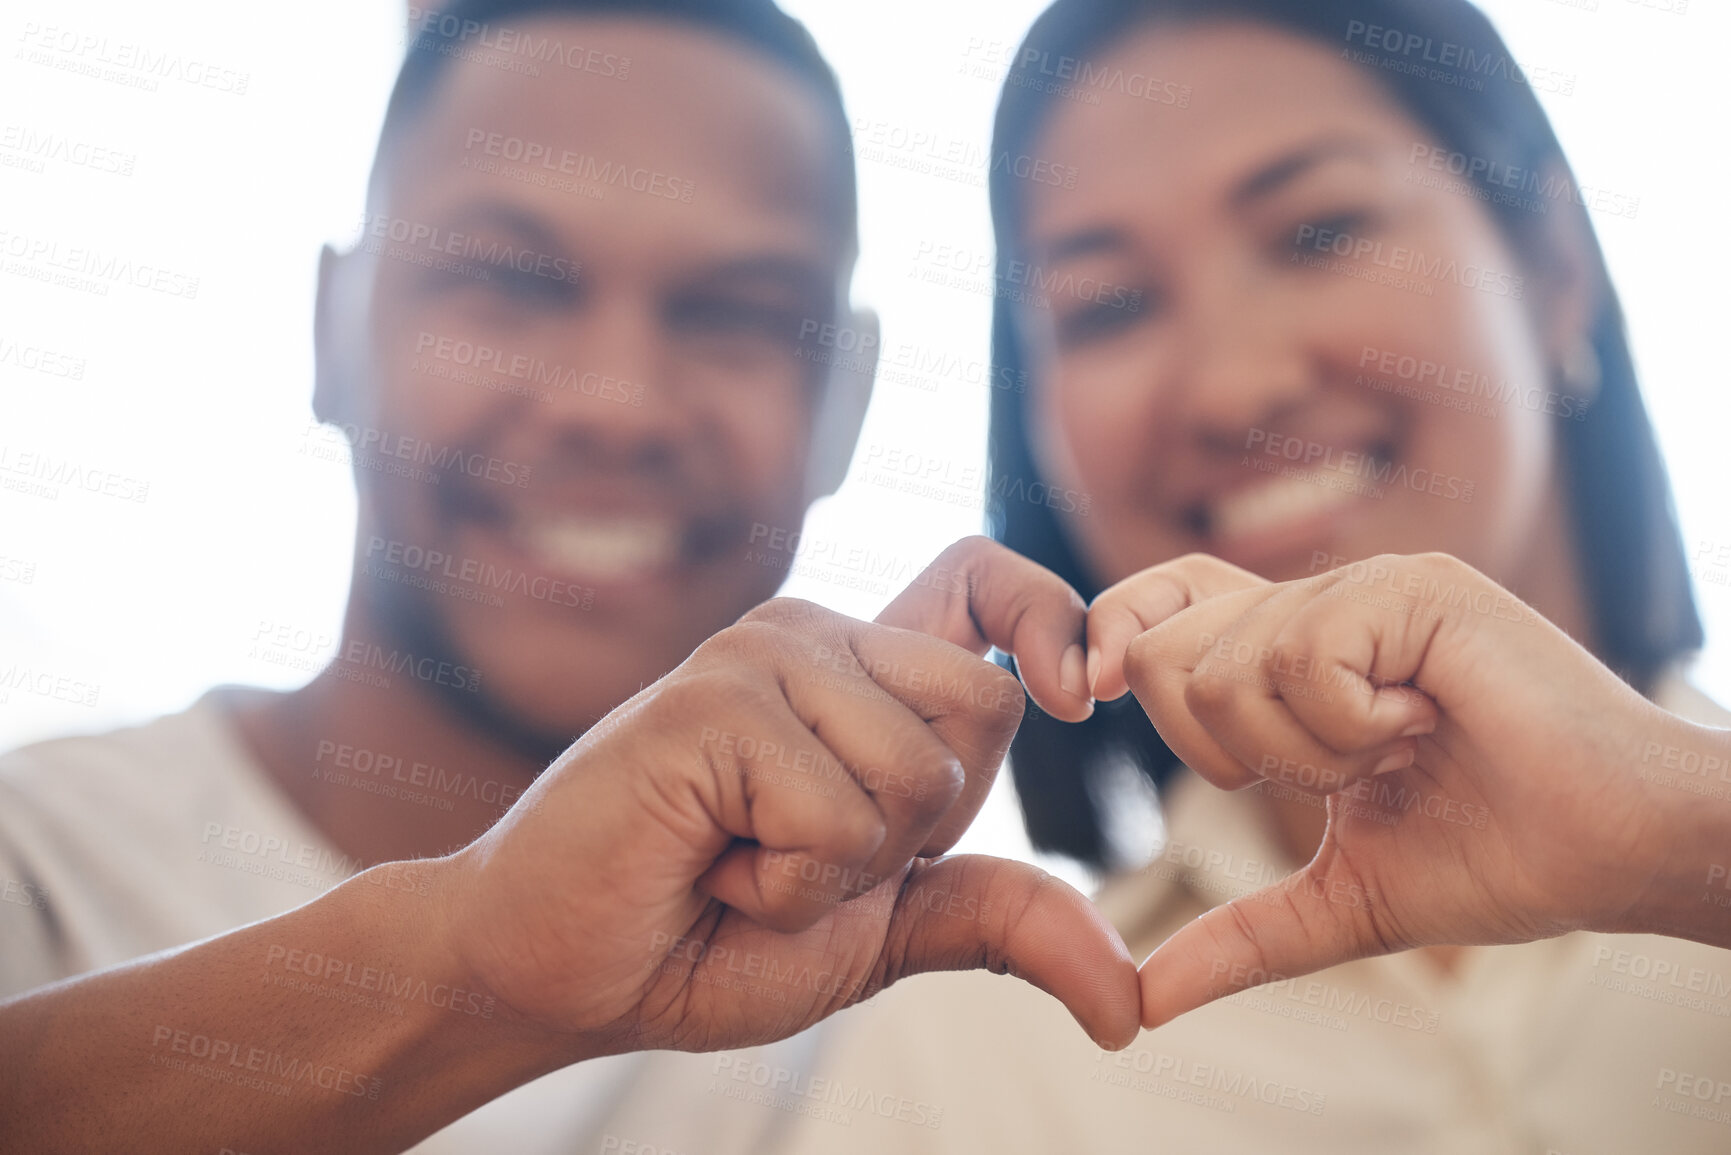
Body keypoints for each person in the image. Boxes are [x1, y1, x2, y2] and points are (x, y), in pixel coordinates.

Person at [0, 1, 1123, 1151]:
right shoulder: (38, 869)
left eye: (734, 313)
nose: (614, 403)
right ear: (334, 328)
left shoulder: (949, 1036)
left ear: (848, 405)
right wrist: (464, 970)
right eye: (510, 282)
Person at [768, 0, 1731, 1150]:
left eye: (1318, 231)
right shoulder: (961, 1067)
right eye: (1109, 305)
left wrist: (1686, 839)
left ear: (1555, 265)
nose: (1230, 388)